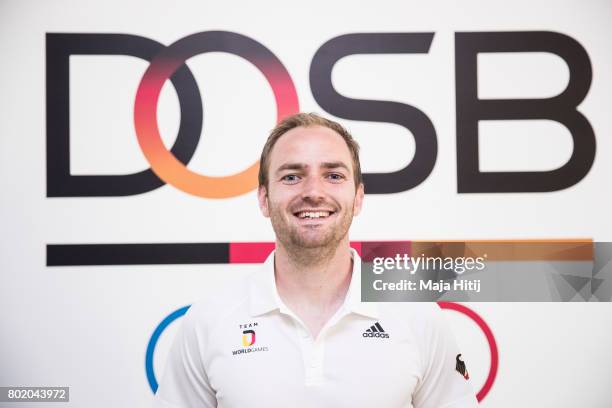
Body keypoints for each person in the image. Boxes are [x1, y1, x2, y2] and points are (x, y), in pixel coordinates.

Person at [153, 113, 479, 407]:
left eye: (333, 176)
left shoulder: (417, 315)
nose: (313, 191)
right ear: (264, 199)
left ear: (359, 197)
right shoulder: (210, 320)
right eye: (292, 176)